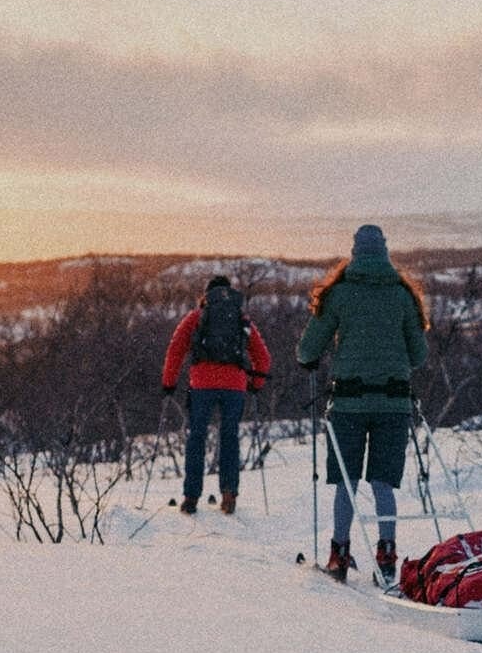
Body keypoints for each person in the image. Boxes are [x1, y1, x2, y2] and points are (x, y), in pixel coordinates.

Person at [297, 223, 430, 582]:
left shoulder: (338, 294)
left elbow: (308, 349)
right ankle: (387, 552)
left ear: (354, 252)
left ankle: (339, 554)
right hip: (393, 403)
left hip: (349, 403)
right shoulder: (403, 296)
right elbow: (418, 355)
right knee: (383, 481)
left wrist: (312, 359)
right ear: (385, 251)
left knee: (346, 480)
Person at [162, 274, 272, 515]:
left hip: (202, 384)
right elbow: (262, 356)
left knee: (197, 438)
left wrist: (168, 383)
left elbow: (175, 349)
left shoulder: (196, 317)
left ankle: (191, 497)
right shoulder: (242, 319)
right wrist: (256, 383)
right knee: (229, 438)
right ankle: (229, 494)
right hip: (235, 386)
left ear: (206, 295)